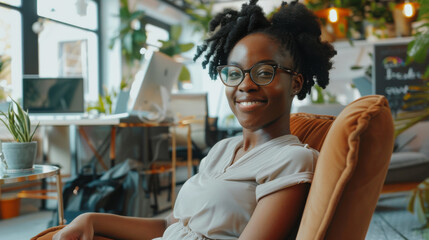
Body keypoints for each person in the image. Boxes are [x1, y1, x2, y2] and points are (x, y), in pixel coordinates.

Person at [53, 1, 336, 239]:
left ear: (296, 83)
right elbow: (170, 226)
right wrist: (91, 219)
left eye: (264, 72)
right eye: (234, 73)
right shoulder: (222, 150)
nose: (245, 85)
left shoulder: (292, 159)